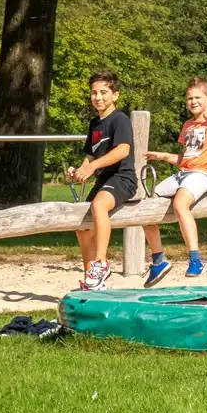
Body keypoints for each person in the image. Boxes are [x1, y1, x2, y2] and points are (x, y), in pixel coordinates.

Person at [143, 80, 207, 280]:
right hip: (183, 173)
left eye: (197, 97)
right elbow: (185, 158)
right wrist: (162, 156)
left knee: (180, 203)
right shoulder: (188, 125)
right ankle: (159, 259)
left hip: (204, 173)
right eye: (189, 98)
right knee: (146, 205)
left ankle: (195, 260)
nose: (193, 101)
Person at [67, 69, 136, 291]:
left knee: (98, 206)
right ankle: (92, 280)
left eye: (104, 92)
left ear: (115, 95)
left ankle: (101, 264)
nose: (98, 97)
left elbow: (123, 150)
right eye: (94, 93)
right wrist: (79, 171)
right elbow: (90, 157)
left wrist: (94, 165)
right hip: (103, 180)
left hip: (122, 178)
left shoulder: (120, 119)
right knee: (82, 229)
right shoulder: (94, 124)